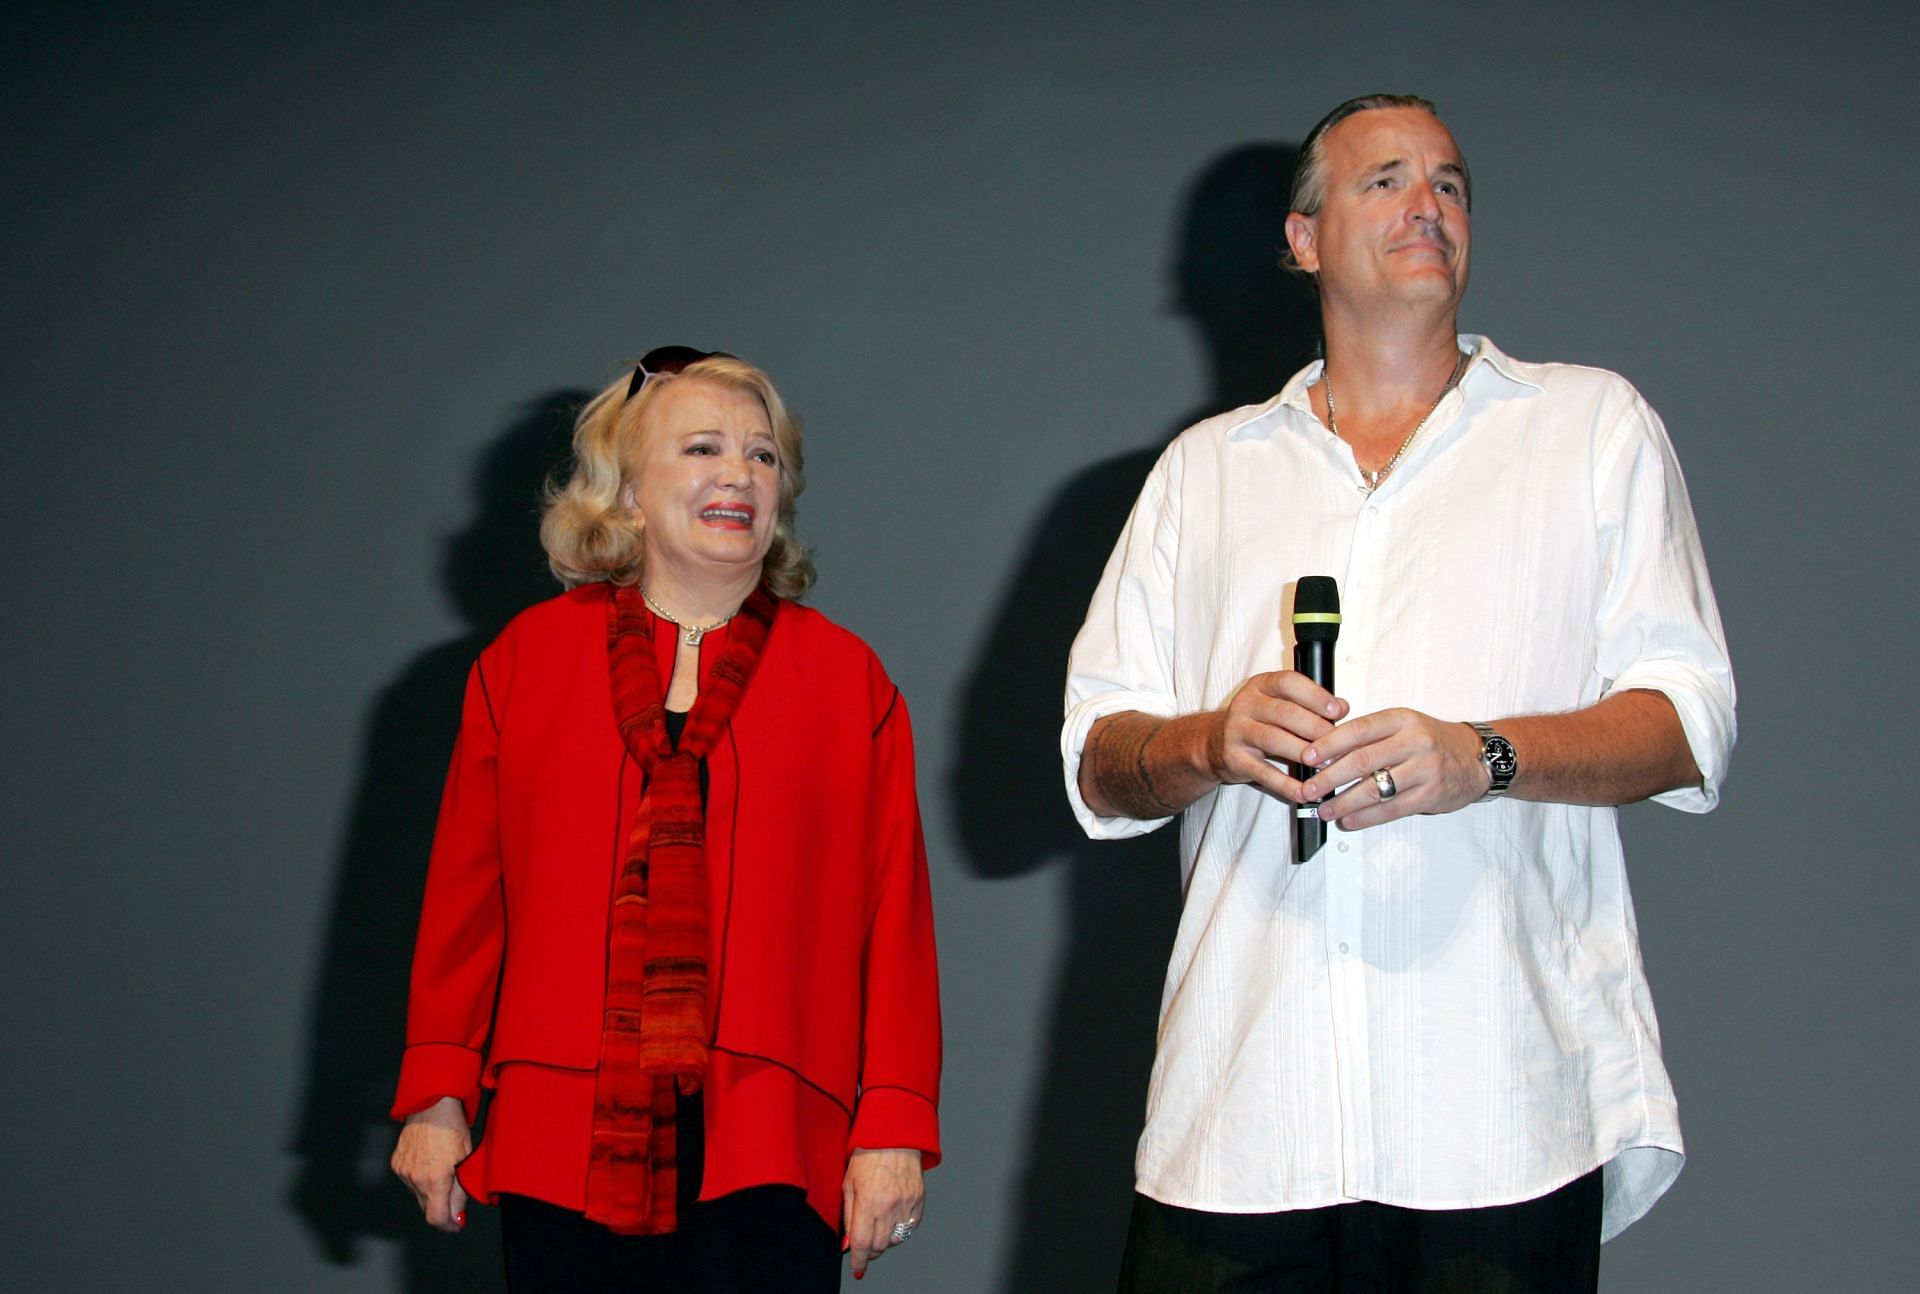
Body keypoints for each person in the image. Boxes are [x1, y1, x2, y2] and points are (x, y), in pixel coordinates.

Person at [1064, 96, 1735, 1291]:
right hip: (1244, 1121)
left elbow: (1690, 720)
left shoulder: (1589, 427)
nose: (1427, 203)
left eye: (1450, 182)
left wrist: (1483, 755)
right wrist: (1213, 741)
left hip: (1500, 1115)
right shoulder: (1204, 473)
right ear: (1304, 237)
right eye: (1384, 180)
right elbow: (1099, 759)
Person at [390, 348, 941, 1290]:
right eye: (703, 448)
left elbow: (895, 923)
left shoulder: (848, 681)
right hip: (561, 1129)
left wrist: (892, 1122)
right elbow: (465, 899)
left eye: (763, 457)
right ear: (629, 491)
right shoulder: (527, 662)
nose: (740, 474)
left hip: (771, 1138)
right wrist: (438, 1092)